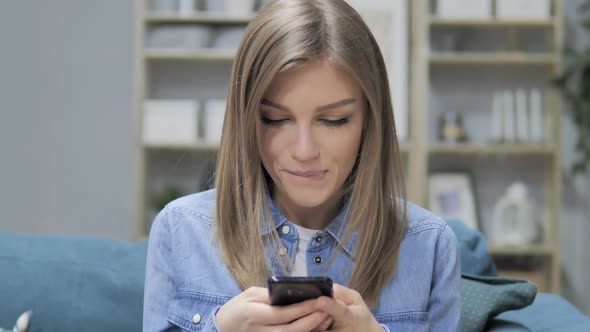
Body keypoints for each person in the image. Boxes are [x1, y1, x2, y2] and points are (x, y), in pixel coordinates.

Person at [143, 0, 461, 331]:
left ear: (370, 120)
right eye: (276, 119)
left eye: (335, 120)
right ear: (246, 119)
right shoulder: (180, 230)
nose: (305, 151)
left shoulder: (430, 246)